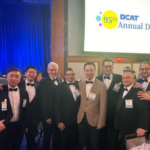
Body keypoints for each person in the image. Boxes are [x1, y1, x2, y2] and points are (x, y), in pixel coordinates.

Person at [115, 70, 149, 150]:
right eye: (123, 78)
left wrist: (142, 127)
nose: (125, 80)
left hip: (134, 129)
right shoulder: (121, 90)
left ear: (134, 79)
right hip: (122, 128)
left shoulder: (139, 91)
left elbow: (144, 111)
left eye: (128, 78)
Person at [77, 62, 107, 150]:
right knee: (83, 142)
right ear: (84, 71)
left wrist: (101, 121)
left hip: (95, 119)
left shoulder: (101, 85)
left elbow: (103, 105)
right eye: (87, 70)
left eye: (91, 70)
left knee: (94, 143)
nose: (89, 72)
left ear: (95, 71)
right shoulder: (80, 84)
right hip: (81, 118)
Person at [97, 58, 122, 150]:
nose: (108, 68)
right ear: (102, 67)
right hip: (101, 114)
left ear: (113, 67)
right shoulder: (97, 79)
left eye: (110, 66)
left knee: (114, 137)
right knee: (102, 136)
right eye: (106, 66)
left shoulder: (120, 78)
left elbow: (129, 86)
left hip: (115, 114)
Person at [2, 68, 29, 150]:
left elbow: (25, 110)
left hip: (18, 126)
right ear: (7, 77)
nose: (14, 78)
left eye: (17, 76)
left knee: (16, 147)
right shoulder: (1, 89)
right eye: (11, 76)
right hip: (3, 125)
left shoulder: (24, 92)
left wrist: (25, 125)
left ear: (20, 78)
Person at [38, 62, 62, 150]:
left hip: (58, 116)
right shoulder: (43, 83)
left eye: (55, 70)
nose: (53, 72)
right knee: (47, 137)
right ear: (48, 70)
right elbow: (43, 102)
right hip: (49, 116)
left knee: (57, 137)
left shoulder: (60, 80)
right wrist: (47, 117)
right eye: (51, 70)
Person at [55, 68, 80, 150]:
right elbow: (57, 105)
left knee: (74, 142)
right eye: (68, 74)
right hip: (65, 121)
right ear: (65, 76)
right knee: (64, 142)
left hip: (77, 120)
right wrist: (59, 121)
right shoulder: (59, 87)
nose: (70, 76)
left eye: (72, 74)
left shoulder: (78, 85)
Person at [19, 66, 41, 150]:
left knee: (31, 141)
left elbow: (40, 104)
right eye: (30, 72)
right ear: (25, 73)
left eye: (34, 72)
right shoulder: (19, 84)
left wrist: (40, 120)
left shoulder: (39, 86)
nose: (32, 74)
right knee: (17, 141)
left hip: (33, 119)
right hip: (20, 118)